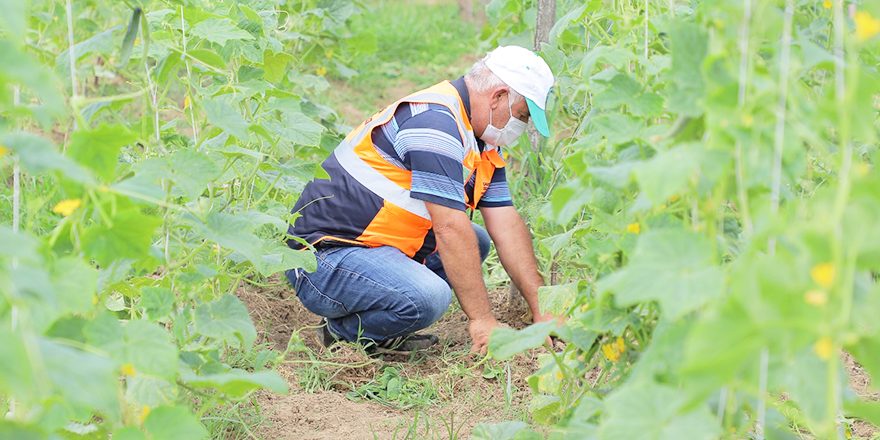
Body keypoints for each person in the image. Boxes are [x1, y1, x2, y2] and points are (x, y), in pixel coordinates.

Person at [285, 45, 556, 355]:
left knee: (477, 240)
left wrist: (542, 307)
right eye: (521, 116)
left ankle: (380, 318)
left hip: (369, 245)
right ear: (497, 96)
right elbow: (450, 228)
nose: (519, 128)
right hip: (321, 259)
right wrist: (483, 321)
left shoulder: (480, 141)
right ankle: (342, 332)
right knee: (428, 297)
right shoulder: (435, 125)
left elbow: (505, 223)